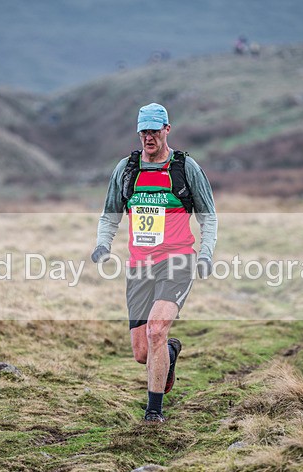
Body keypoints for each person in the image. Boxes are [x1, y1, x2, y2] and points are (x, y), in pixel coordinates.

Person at [91, 103, 217, 423]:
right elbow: (110, 213)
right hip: (139, 266)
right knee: (142, 352)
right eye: (143, 131)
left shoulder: (185, 168)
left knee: (156, 329)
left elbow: (208, 216)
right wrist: (102, 244)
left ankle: (153, 412)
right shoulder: (127, 169)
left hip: (177, 261)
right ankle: (170, 353)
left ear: (167, 130)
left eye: (154, 131)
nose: (148, 137)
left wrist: (205, 253)